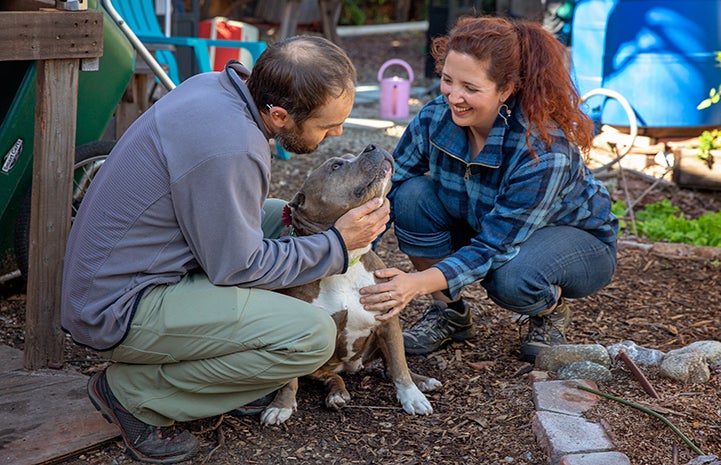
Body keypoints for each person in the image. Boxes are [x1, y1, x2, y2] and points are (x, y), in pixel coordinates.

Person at [61, 35, 390, 464]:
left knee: (278, 214)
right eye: (327, 126)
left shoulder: (217, 87)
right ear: (279, 115)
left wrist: (329, 239)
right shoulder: (233, 147)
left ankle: (225, 368)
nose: (337, 133)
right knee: (311, 337)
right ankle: (132, 394)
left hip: (132, 269)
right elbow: (237, 267)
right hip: (118, 308)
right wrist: (337, 246)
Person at [358, 16, 618, 363]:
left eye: (470, 88)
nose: (454, 96)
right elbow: (389, 190)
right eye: (447, 80)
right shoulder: (435, 117)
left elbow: (496, 244)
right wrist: (346, 255)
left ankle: (548, 309)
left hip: (575, 241)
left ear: (506, 89)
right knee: (410, 197)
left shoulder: (543, 151)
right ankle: (450, 314)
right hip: (486, 220)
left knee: (509, 278)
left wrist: (415, 284)